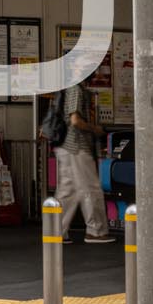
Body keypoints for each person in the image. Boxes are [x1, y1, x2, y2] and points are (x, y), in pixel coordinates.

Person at [50, 81, 115, 244]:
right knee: (90, 188)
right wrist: (95, 129)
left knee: (68, 192)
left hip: (64, 146)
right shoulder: (76, 89)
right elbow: (75, 120)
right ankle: (96, 231)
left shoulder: (66, 87)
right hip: (76, 146)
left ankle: (55, 231)